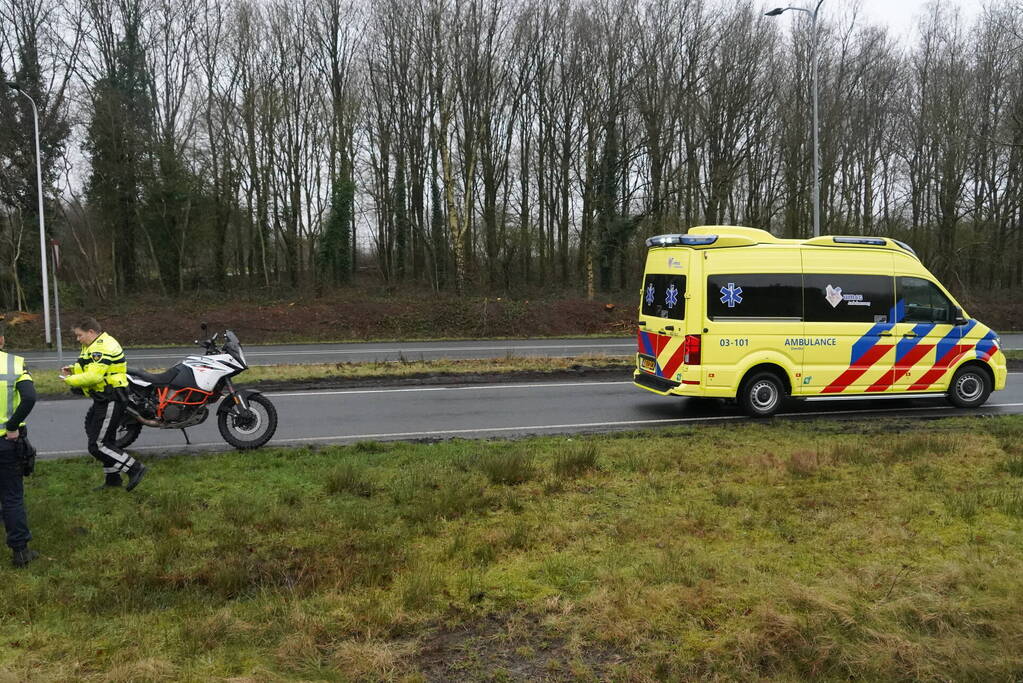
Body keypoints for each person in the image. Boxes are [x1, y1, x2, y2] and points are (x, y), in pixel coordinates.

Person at [61, 317, 146, 491]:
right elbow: (91, 368)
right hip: (105, 397)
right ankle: (112, 480)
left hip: (111, 397)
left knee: (97, 446)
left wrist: (70, 380)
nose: (78, 339)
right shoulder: (93, 345)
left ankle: (134, 468)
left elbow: (95, 376)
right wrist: (74, 369)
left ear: (91, 332)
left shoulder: (101, 347)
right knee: (107, 441)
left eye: (79, 335)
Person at [0, 322, 39, 566]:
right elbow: (30, 397)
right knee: (12, 496)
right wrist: (12, 426)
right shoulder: (13, 363)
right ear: (1, 340)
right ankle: (20, 552)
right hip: (6, 441)